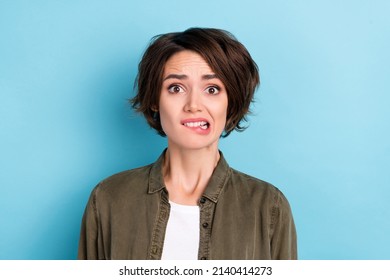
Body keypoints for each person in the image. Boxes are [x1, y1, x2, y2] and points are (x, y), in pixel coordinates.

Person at [78, 27, 297, 260]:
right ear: (154, 100)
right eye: (176, 88)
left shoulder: (268, 206)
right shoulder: (109, 198)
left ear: (230, 103)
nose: (194, 105)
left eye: (212, 89)